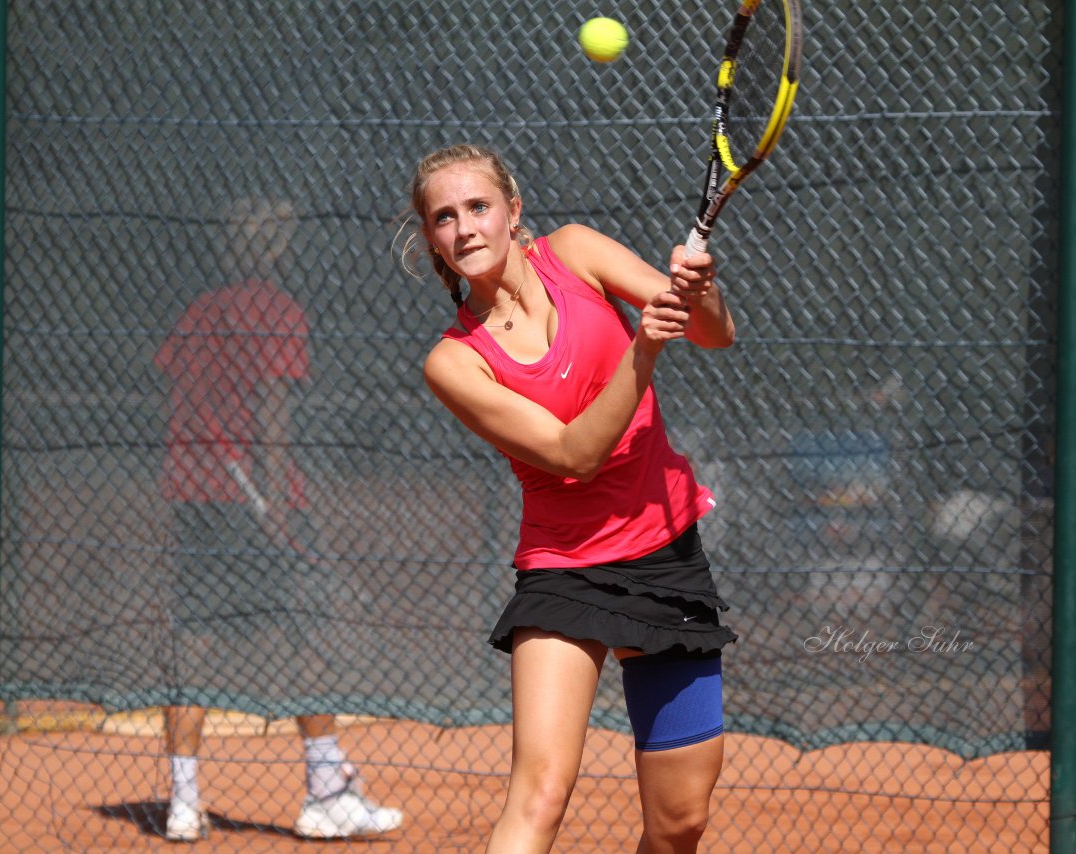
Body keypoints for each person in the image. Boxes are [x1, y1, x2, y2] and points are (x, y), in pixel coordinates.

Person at [409, 144, 738, 854]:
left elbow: (715, 333)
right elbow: (572, 456)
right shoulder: (454, 360)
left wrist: (701, 289)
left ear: (513, 212)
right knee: (541, 793)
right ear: (430, 238)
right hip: (566, 570)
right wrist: (640, 353)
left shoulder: (579, 251)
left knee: (679, 823)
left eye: (478, 207)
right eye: (444, 217)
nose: (464, 227)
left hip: (665, 554)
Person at [154, 197, 402, 842]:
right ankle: (325, 792)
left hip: (194, 498)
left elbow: (178, 402)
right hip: (258, 501)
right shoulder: (279, 310)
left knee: (194, 647)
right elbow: (271, 416)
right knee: (308, 643)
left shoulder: (194, 313)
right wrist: (275, 507)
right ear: (271, 249)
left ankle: (184, 803)